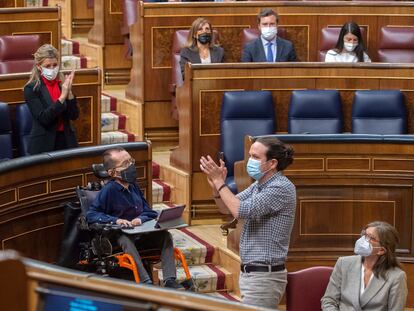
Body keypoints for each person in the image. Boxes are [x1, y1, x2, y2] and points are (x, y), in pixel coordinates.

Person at [200, 137, 296, 309]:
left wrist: (220, 183)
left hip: (265, 277)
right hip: (252, 274)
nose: (250, 161)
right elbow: (227, 208)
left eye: (255, 157)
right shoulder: (259, 186)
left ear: (272, 163)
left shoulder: (281, 187)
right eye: (250, 156)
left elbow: (240, 210)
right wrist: (216, 186)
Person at [86, 147, 183, 289]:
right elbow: (91, 214)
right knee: (124, 239)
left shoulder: (133, 187)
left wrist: (140, 219)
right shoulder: (109, 190)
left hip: (140, 233)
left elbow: (149, 212)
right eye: (125, 164)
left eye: (131, 161)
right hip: (120, 236)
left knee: (165, 235)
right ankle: (145, 282)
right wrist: (116, 220)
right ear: (112, 172)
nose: (131, 166)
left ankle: (170, 280)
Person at [321, 221, 407, 311]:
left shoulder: (397, 277)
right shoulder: (343, 263)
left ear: (381, 250)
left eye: (371, 238)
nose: (363, 240)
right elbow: (329, 300)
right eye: (364, 235)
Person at [24, 44, 79, 155]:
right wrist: (62, 97)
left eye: (55, 65)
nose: (52, 69)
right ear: (39, 67)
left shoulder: (62, 84)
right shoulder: (31, 88)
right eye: (47, 66)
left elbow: (74, 115)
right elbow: (44, 118)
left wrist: (69, 93)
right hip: (44, 144)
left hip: (67, 141)